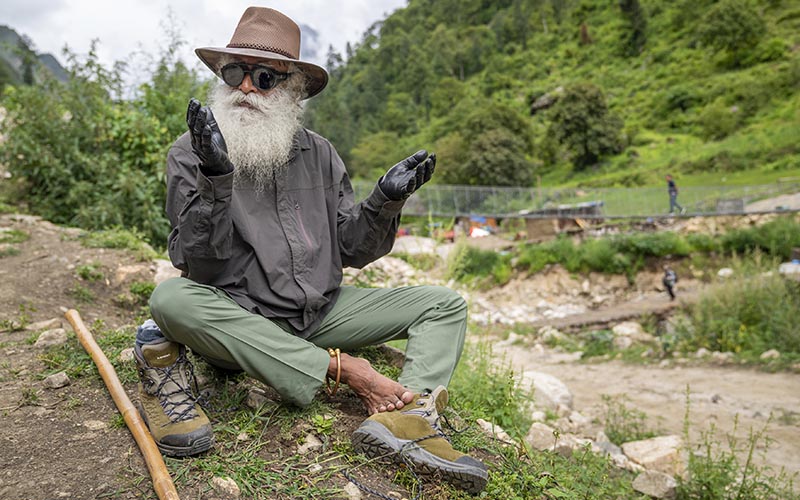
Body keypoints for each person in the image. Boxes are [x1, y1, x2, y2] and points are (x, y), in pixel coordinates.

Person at [132, 6, 487, 494]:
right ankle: (339, 372)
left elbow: (350, 248)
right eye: (235, 73)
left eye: (264, 77)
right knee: (171, 300)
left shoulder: (320, 153)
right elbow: (198, 262)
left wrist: (384, 200)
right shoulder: (190, 153)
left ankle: (411, 417)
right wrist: (217, 178)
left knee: (443, 305)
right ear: (222, 77)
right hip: (243, 317)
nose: (246, 89)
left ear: (293, 89)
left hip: (319, 310)